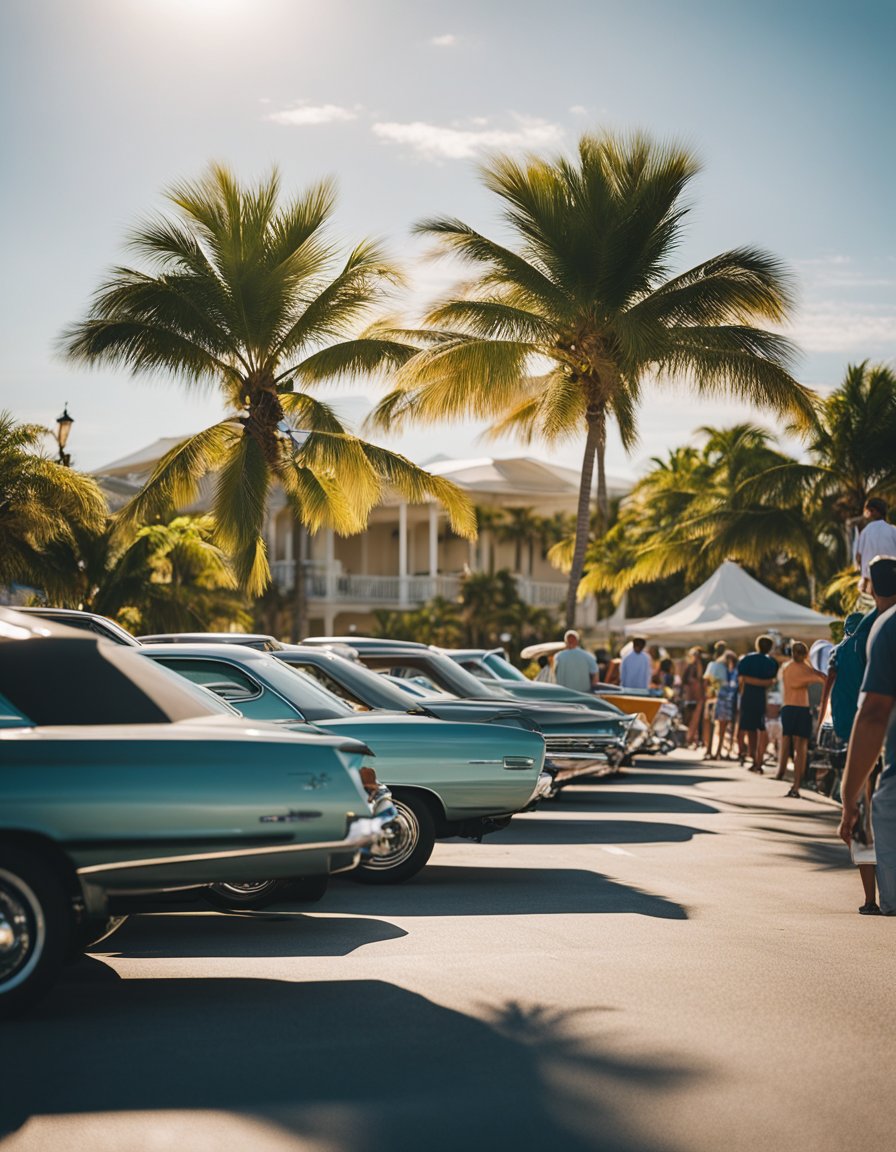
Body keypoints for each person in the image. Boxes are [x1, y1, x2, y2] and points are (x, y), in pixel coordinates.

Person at [838, 555, 896, 915]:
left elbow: (872, 714)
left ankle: (871, 899)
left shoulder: (880, 629)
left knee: (872, 816)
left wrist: (849, 799)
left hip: (876, 755)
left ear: (867, 585)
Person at [820, 610, 881, 912]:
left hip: (851, 743)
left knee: (858, 820)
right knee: (874, 817)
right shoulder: (876, 650)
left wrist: (820, 721)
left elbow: (827, 691)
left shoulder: (839, 652)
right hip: (881, 740)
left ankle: (870, 898)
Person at [776, 641, 827, 798]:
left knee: (799, 746)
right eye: (794, 651)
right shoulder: (790, 668)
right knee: (790, 742)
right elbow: (795, 683)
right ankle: (782, 774)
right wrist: (813, 677)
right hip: (791, 707)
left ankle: (796, 783)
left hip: (799, 708)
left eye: (798, 652)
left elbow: (822, 678)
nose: (795, 654)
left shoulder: (804, 668)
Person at [737, 635, 779, 773]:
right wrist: (763, 683)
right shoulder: (772, 663)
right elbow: (771, 681)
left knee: (750, 728)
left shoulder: (747, 659)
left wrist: (750, 681)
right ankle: (758, 760)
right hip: (764, 697)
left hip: (748, 696)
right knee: (762, 729)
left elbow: (742, 679)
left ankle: (752, 755)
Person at [855, 499, 896, 596]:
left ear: (873, 511)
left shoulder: (865, 532)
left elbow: (858, 557)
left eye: (866, 512)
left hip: (871, 582)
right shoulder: (893, 530)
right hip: (892, 579)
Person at [710, 650, 739, 759]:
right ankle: (718, 751)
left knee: (729, 728)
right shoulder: (723, 670)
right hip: (724, 700)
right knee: (721, 727)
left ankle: (726, 751)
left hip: (730, 701)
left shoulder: (734, 671)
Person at [553, 629, 599, 693]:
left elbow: (553, 674)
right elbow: (595, 674)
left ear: (566, 641)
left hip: (563, 693)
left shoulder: (558, 657)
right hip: (583, 694)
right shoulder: (588, 656)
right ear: (577, 641)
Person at [681, 647, 706, 748]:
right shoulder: (689, 667)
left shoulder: (701, 666)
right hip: (690, 695)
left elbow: (700, 677)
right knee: (689, 717)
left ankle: (693, 739)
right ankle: (689, 738)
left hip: (698, 695)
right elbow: (685, 681)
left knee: (697, 718)